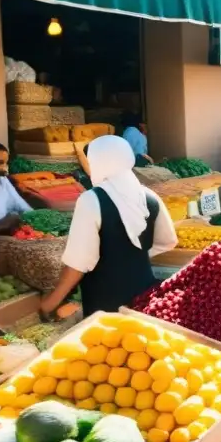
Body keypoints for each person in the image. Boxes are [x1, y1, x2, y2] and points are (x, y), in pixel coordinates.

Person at [39, 136, 177, 318]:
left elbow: (78, 264)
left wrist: (49, 304)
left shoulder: (91, 199)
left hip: (106, 303)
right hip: (145, 296)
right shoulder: (149, 197)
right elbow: (168, 241)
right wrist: (130, 256)